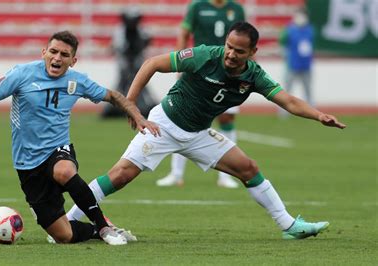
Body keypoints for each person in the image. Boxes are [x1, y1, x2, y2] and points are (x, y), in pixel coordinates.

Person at [67, 22, 346, 240]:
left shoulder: (254, 76)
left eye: (239, 51)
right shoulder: (204, 56)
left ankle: (289, 225)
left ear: (252, 53)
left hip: (199, 134)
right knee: (120, 175)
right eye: (229, 47)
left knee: (248, 168)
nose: (231, 54)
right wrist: (131, 106)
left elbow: (288, 100)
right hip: (163, 125)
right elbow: (152, 64)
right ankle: (69, 221)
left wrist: (319, 115)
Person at [0, 31, 159, 245]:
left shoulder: (77, 81)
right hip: (27, 163)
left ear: (73, 61)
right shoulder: (21, 74)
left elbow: (113, 96)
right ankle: (97, 230)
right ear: (44, 52)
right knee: (62, 236)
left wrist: (139, 116)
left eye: (64, 55)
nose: (57, 58)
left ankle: (103, 227)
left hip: (58, 149)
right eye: (53, 52)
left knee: (64, 170)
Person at [156, 0, 245, 188]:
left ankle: (225, 176)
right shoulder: (197, 6)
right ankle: (176, 173)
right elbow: (184, 32)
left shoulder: (236, 9)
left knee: (227, 118)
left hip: (228, 71)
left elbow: (246, 39)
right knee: (184, 117)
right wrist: (181, 61)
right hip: (200, 68)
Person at [102, 8, 157, 118]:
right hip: (124, 62)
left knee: (140, 84)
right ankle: (116, 107)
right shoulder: (121, 31)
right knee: (123, 84)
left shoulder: (140, 30)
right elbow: (117, 47)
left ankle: (143, 106)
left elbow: (146, 42)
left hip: (137, 61)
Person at [278, 8, 315, 117]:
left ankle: (311, 111)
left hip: (306, 64)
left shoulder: (310, 30)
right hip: (292, 64)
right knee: (287, 90)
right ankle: (283, 112)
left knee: (308, 89)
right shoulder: (289, 29)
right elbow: (282, 42)